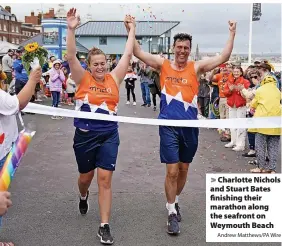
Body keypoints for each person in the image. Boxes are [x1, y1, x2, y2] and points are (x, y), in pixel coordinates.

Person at [125, 17, 236, 234]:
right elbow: (137, 51)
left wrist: (231, 33)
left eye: (186, 47)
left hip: (189, 127)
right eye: (179, 47)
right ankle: (171, 212)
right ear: (173, 48)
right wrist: (131, 29)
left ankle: (174, 201)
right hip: (168, 126)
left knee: (184, 169)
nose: (182, 51)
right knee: (172, 171)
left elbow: (224, 57)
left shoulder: (197, 68)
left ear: (189, 49)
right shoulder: (162, 65)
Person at [66, 8, 135, 245]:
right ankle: (83, 195)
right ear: (89, 65)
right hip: (85, 136)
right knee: (86, 177)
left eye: (103, 63)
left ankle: (104, 225)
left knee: (105, 179)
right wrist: (71, 29)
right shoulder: (82, 78)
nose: (100, 67)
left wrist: (132, 31)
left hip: (108, 136)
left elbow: (127, 55)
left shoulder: (114, 79)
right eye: (95, 64)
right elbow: (71, 56)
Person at [249, 76, 281, 173]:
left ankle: (260, 167)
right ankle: (272, 169)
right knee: (274, 147)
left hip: (262, 123)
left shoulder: (260, 90)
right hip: (276, 123)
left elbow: (253, 104)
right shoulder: (277, 91)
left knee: (260, 146)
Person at [223, 66, 250, 151]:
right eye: (234, 72)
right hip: (232, 105)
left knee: (240, 125)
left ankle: (240, 144)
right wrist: (230, 90)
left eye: (237, 71)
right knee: (232, 124)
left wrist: (240, 90)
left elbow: (247, 94)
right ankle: (233, 141)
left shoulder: (245, 82)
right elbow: (225, 93)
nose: (236, 73)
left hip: (241, 105)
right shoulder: (229, 81)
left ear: (241, 73)